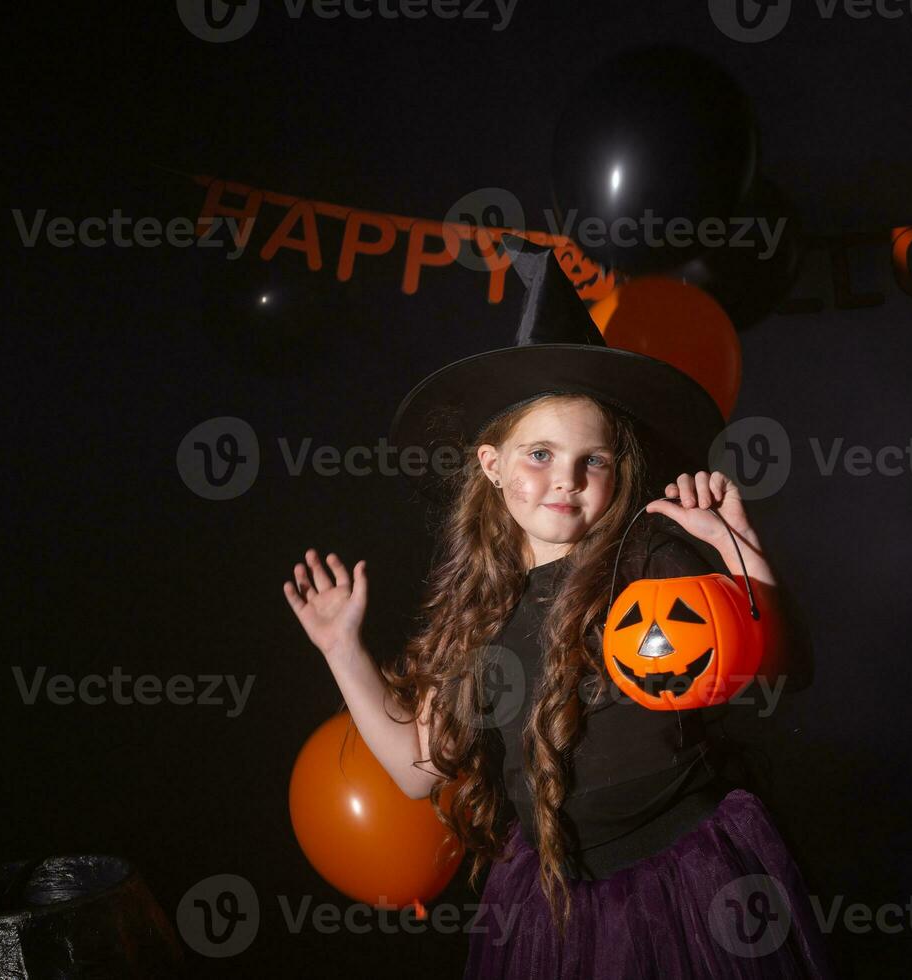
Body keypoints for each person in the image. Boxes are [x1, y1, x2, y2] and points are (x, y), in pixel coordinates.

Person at [282, 239, 836, 978]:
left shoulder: (652, 566)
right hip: (559, 907)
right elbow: (419, 770)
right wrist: (340, 647)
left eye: (592, 461)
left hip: (687, 886)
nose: (565, 481)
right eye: (539, 454)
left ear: (618, 469)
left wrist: (742, 552)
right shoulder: (479, 612)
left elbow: (784, 673)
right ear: (493, 464)